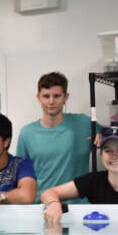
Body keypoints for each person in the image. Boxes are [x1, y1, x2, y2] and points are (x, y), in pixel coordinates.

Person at [16, 71, 100, 202]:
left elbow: (115, 139)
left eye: (56, 96)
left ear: (66, 97)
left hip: (78, 207)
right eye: (46, 96)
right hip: (41, 206)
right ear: (38, 97)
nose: (51, 101)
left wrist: (104, 137)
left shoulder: (84, 124)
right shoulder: (27, 133)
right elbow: (21, 177)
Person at [41, 126, 118, 223]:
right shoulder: (94, 181)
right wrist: (53, 204)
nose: (114, 155)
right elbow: (47, 193)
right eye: (108, 150)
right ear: (101, 155)